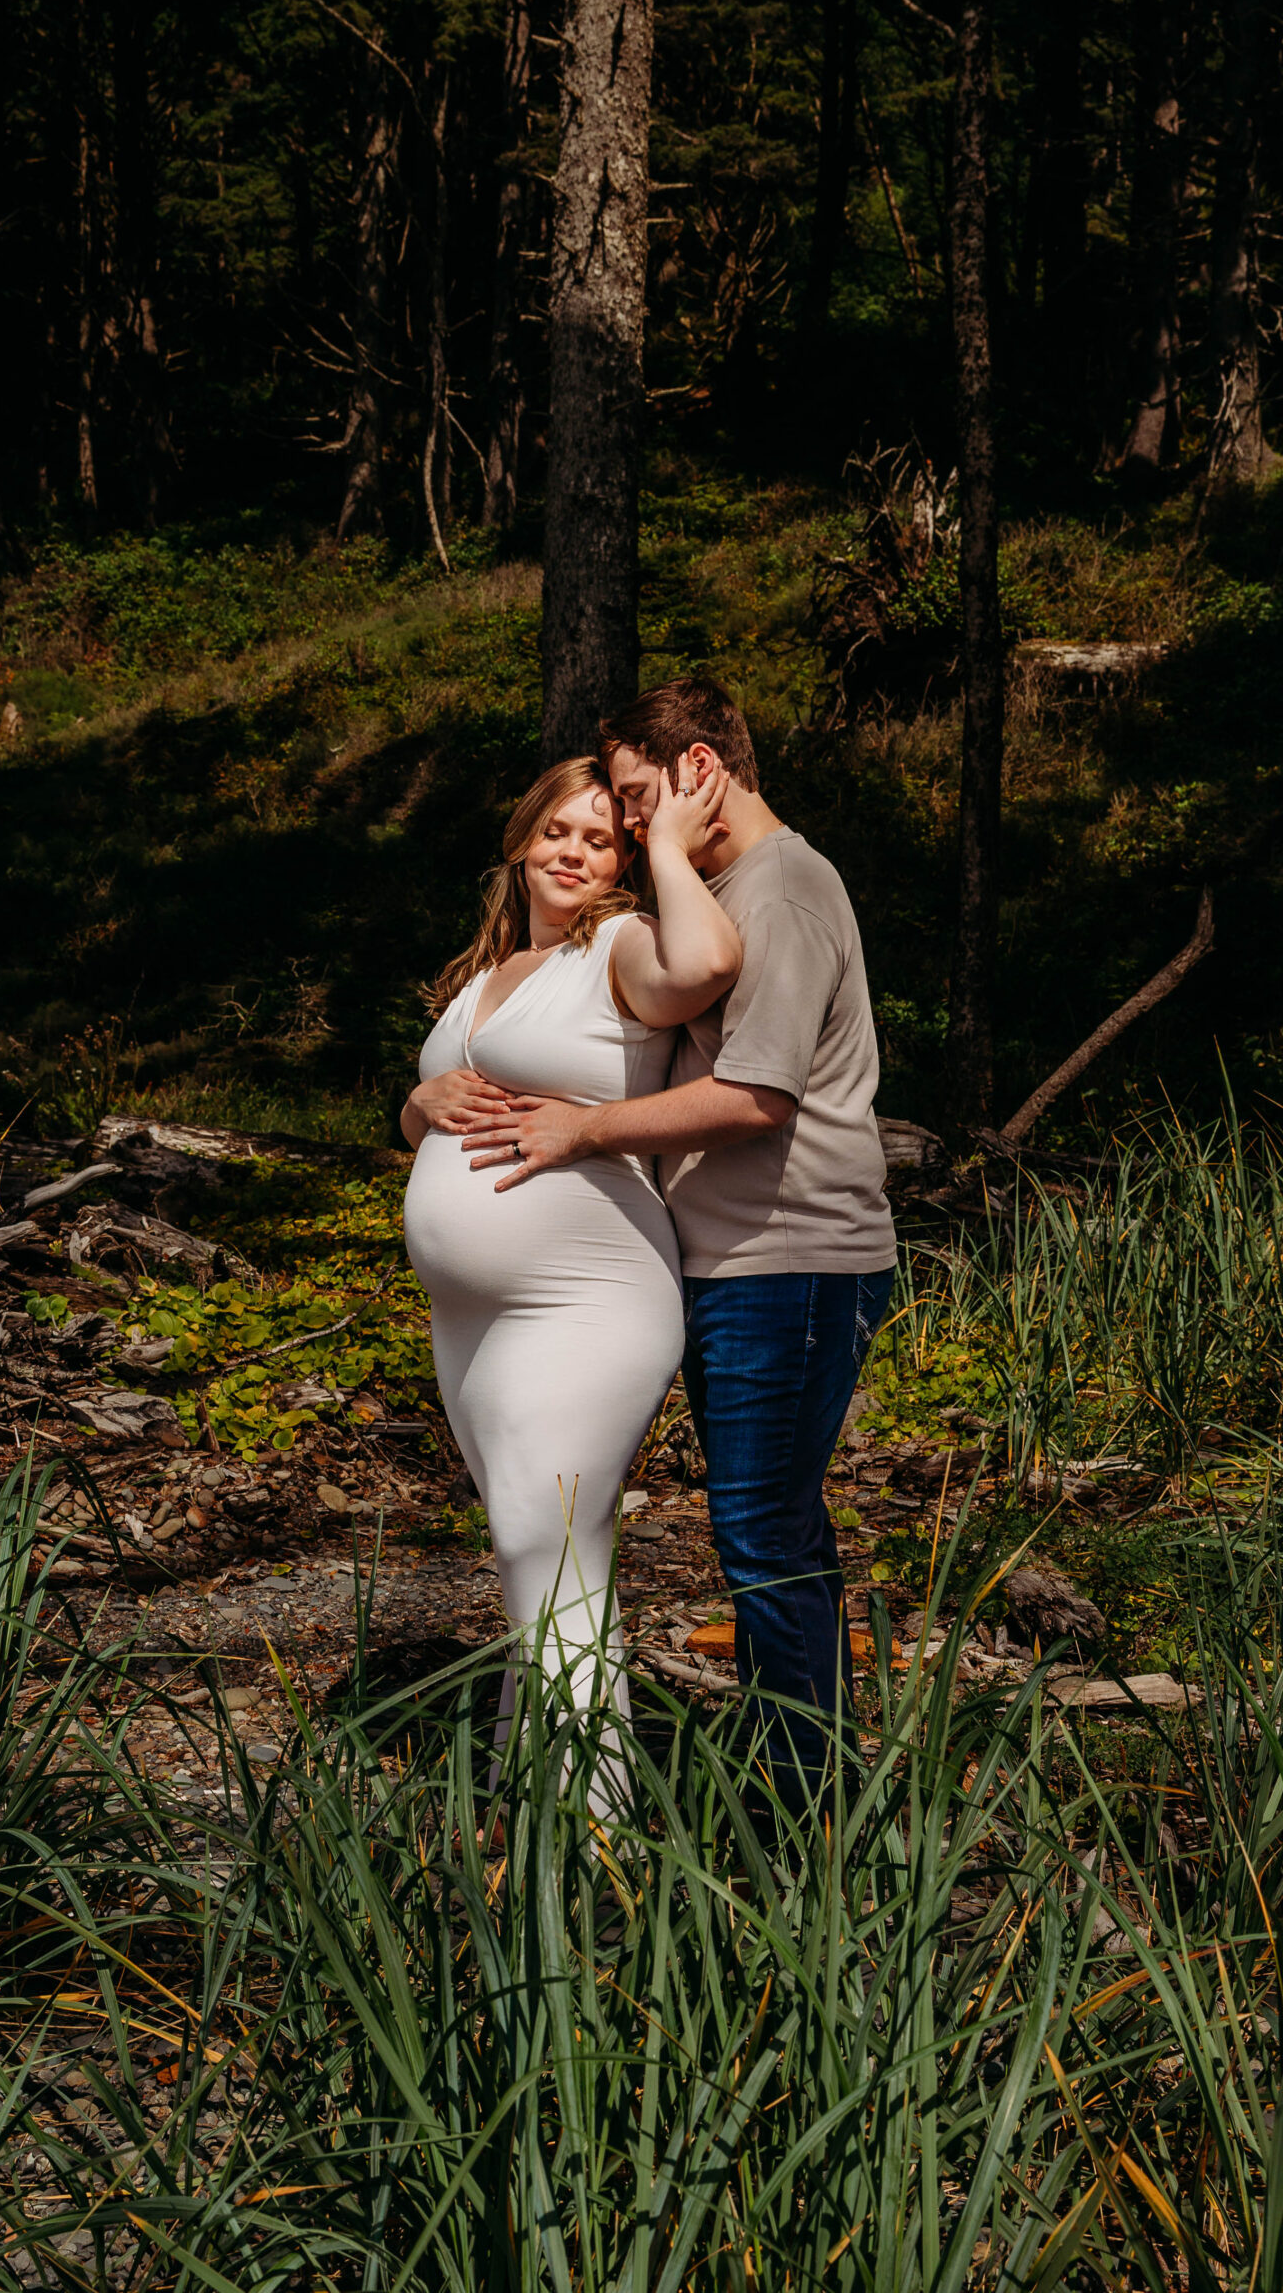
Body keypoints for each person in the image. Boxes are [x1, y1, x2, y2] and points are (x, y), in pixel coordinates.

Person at [461, 680, 896, 1803]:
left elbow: (760, 1097)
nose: (631, 823)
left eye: (641, 797)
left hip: (793, 1256)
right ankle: (796, 1777)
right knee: (769, 1533)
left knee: (762, 1535)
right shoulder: (721, 886)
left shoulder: (785, 886)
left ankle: (806, 1809)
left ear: (703, 767)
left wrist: (584, 1129)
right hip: (733, 1258)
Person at [400, 752, 741, 1811]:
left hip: (586, 1295)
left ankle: (589, 1817)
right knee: (534, 1548)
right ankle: (543, 1795)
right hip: (471, 1314)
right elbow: (419, 1119)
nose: (574, 852)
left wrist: (672, 848)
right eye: (559, 830)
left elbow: (708, 965)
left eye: (601, 838)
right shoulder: (484, 971)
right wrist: (426, 1103)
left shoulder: (622, 944)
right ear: (521, 838)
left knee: (539, 1532)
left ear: (621, 862)